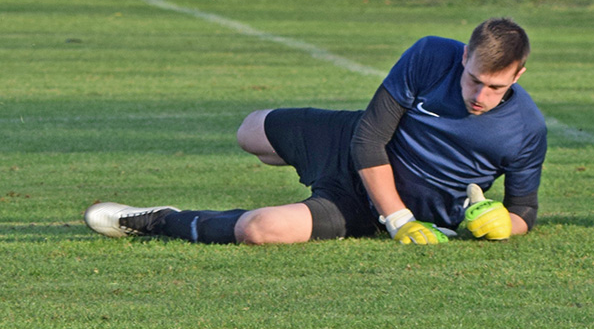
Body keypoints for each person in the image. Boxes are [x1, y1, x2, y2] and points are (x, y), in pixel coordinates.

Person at [84, 17, 547, 245]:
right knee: (250, 133)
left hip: (364, 207)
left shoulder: (526, 129)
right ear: (464, 56)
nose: (480, 95)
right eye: (473, 80)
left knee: (258, 230)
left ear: (518, 76)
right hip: (356, 145)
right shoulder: (431, 54)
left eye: (495, 87)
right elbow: (369, 137)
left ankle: (155, 219)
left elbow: (523, 209)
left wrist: (505, 224)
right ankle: (301, 158)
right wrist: (399, 220)